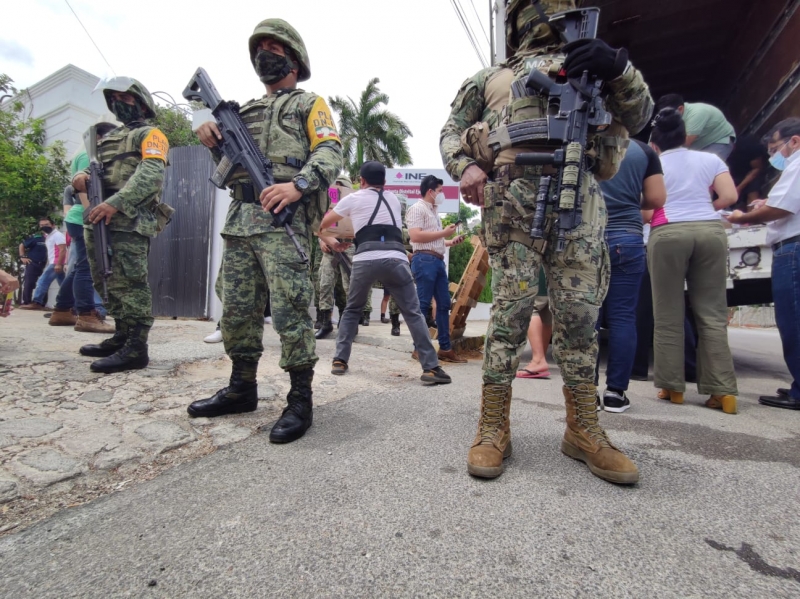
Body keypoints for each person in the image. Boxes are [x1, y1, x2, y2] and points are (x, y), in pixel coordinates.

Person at [440, 0, 653, 483]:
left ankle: (583, 429)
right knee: (510, 313)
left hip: (579, 199)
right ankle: (493, 426)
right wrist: (465, 166)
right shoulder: (489, 77)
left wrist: (618, 68)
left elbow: (640, 115)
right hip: (511, 200)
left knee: (580, 317)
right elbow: (451, 131)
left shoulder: (595, 64)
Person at [187, 19, 343, 446]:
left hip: (283, 222)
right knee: (237, 311)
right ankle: (242, 388)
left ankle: (300, 400)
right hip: (241, 221)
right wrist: (205, 128)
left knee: (291, 311)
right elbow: (225, 165)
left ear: (293, 59)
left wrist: (299, 185)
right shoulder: (242, 111)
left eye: (274, 48)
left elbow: (330, 150)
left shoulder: (310, 103)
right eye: (260, 48)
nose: (264, 54)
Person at [321, 161, 452, 385]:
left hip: (365, 259)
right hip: (396, 258)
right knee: (413, 313)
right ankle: (431, 368)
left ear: (361, 181)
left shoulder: (353, 198)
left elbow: (323, 224)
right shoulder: (394, 199)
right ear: (384, 181)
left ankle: (340, 360)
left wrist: (333, 241)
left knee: (352, 310)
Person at [71, 77, 170, 374]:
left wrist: (116, 202)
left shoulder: (151, 135)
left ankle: (137, 349)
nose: (118, 103)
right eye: (113, 99)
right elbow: (87, 172)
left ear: (141, 103)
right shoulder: (107, 140)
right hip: (99, 218)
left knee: (131, 283)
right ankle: (122, 337)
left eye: (125, 98)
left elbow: (151, 175)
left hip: (128, 219)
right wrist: (79, 178)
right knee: (106, 279)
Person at [647, 107, 738, 413]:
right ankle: (723, 392)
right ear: (685, 136)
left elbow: (647, 210)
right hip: (710, 230)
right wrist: (704, 209)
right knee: (712, 313)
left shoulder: (654, 163)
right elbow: (729, 197)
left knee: (668, 312)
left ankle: (672, 387)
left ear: (655, 143)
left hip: (668, 232)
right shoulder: (710, 159)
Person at [727, 117, 800, 410]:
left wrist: (742, 217)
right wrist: (765, 204)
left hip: (793, 249)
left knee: (793, 320)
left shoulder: (797, 164)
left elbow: (780, 208)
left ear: (794, 141)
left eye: (775, 148)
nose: (773, 155)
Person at [596, 139, 666, 412]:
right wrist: (630, 196)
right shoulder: (643, 151)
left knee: (588, 317)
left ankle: (585, 393)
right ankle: (615, 393)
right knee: (623, 317)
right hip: (627, 237)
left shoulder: (581, 139)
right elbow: (657, 199)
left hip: (587, 238)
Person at [49, 123, 118, 333]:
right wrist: (94, 216)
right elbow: (83, 189)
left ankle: (62, 310)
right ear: (98, 138)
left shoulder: (88, 155)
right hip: (83, 217)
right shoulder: (89, 156)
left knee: (81, 265)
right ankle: (87, 314)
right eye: (110, 138)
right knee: (87, 266)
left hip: (80, 217)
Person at [406, 174, 467, 363]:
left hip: (436, 260)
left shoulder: (434, 211)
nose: (442, 194)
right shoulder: (417, 209)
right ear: (430, 191)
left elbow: (433, 240)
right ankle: (419, 348)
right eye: (440, 190)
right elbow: (415, 237)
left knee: (444, 304)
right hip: (424, 260)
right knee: (424, 304)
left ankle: (445, 348)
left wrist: (450, 241)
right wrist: (443, 233)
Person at [316, 174, 359, 339]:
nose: (338, 189)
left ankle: (349, 324)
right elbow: (318, 224)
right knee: (325, 284)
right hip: (329, 247)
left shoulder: (355, 203)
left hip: (349, 246)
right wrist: (322, 240)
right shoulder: (326, 202)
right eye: (337, 185)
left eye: (342, 185)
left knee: (349, 287)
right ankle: (325, 323)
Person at [657, 94, 736, 160]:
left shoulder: (697, 114)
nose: (665, 117)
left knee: (708, 168)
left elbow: (685, 142)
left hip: (718, 141)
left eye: (668, 113)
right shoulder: (672, 117)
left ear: (680, 109)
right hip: (699, 146)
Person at [19, 217, 66, 310]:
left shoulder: (57, 235)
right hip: (54, 263)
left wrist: (58, 264)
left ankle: (37, 302)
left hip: (55, 263)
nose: (44, 227)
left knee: (42, 281)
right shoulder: (48, 236)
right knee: (64, 284)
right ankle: (71, 304)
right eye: (42, 225)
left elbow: (63, 250)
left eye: (47, 225)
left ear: (53, 225)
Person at [516, 269, 551, 379]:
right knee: (547, 314)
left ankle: (538, 360)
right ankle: (541, 359)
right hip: (553, 278)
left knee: (530, 308)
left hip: (533, 275)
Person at [727, 135, 768, 211]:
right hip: (730, 176)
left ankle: (753, 214)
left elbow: (757, 169)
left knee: (753, 189)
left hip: (750, 175)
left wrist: (739, 188)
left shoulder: (750, 146)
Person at [18, 231, 47, 305]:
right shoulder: (37, 238)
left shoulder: (52, 238)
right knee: (29, 283)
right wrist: (22, 257)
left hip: (45, 264)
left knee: (44, 283)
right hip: (33, 263)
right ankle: (26, 302)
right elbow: (22, 245)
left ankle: (41, 303)